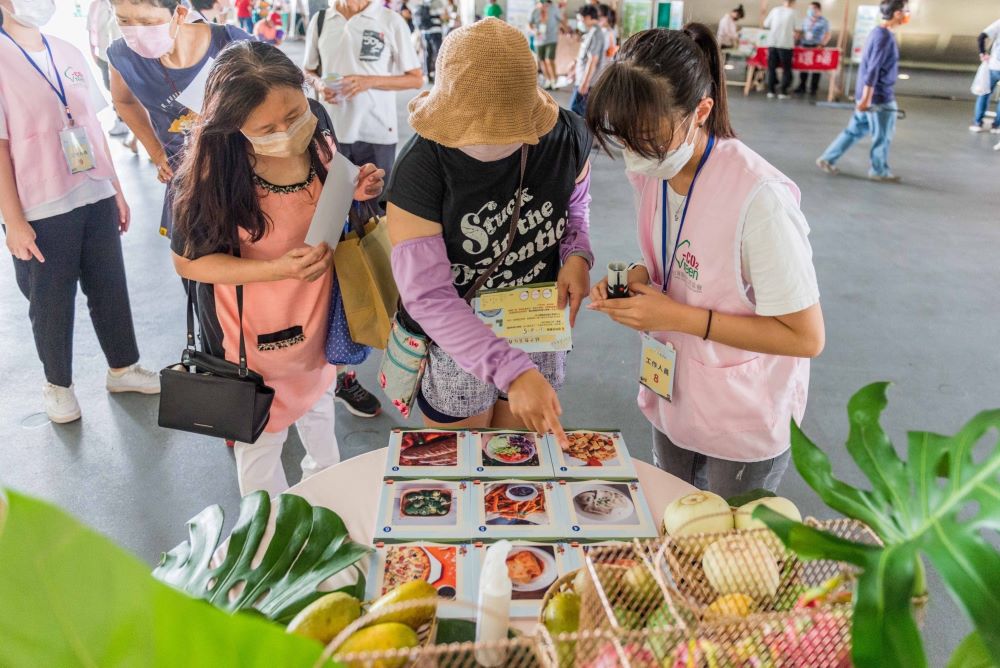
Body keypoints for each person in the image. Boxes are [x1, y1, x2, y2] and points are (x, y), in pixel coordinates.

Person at [586, 25, 824, 497]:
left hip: (741, 412)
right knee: (672, 516)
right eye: (624, 135)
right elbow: (687, 252)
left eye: (647, 137)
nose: (634, 154)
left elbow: (806, 336)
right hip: (674, 390)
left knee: (726, 551)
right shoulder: (656, 171)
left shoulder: (761, 202)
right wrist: (642, 277)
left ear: (701, 111)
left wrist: (676, 316)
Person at [170, 41, 384, 496]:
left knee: (320, 406)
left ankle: (326, 496)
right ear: (232, 129)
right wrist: (276, 270)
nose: (287, 132)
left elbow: (327, 193)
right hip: (253, 336)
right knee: (262, 443)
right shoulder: (215, 171)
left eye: (294, 114)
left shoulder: (316, 128)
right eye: (266, 128)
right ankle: (268, 538)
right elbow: (187, 262)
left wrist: (356, 190)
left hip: (320, 316)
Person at [386, 19, 593, 441]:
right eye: (470, 131)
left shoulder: (567, 136)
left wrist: (577, 253)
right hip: (457, 333)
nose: (484, 142)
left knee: (517, 461)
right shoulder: (421, 167)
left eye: (503, 133)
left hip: (537, 321)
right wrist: (512, 372)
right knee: (460, 467)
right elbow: (427, 295)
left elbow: (577, 207)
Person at [0, 0, 161, 424]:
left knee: (109, 285)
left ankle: (123, 368)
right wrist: (13, 220)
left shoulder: (66, 51)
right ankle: (58, 384)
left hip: (93, 191)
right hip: (40, 201)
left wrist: (116, 188)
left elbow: (91, 124)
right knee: (50, 300)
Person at [107, 0, 251, 237]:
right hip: (187, 180)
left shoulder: (230, 42)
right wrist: (155, 150)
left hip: (242, 173)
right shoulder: (122, 57)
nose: (136, 32)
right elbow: (124, 101)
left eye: (147, 22)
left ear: (180, 14)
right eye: (123, 21)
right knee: (197, 260)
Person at [303, 0, 421, 188]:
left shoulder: (391, 20)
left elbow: (416, 79)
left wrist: (369, 81)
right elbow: (308, 71)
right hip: (331, 132)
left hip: (377, 131)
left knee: (375, 209)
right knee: (333, 205)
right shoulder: (321, 19)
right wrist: (319, 85)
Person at [816, 0, 908, 183]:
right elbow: (873, 69)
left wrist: (863, 98)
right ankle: (879, 170)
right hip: (879, 97)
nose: (907, 14)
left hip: (866, 95)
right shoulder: (884, 37)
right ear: (897, 13)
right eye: (905, 10)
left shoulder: (877, 32)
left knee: (854, 130)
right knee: (883, 135)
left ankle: (827, 158)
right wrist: (867, 98)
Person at [86, 0, 130, 139]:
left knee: (129, 92)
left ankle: (126, 121)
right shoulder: (95, 5)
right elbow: (91, 29)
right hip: (104, 55)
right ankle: (121, 120)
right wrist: (93, 52)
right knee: (111, 89)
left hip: (126, 55)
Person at [569, 4, 604, 117]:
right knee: (576, 113)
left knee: (577, 114)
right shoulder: (591, 32)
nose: (579, 22)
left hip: (587, 84)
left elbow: (592, 60)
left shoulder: (596, 34)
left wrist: (585, 83)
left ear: (588, 17)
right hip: (582, 80)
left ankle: (580, 135)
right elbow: (584, 57)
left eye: (581, 19)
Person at [794, 1, 830, 97]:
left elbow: (827, 35)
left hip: (817, 46)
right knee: (804, 67)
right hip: (805, 45)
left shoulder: (824, 21)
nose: (810, 10)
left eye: (812, 8)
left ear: (818, 10)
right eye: (809, 8)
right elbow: (800, 32)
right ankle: (802, 86)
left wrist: (822, 45)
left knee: (816, 68)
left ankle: (813, 88)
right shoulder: (805, 20)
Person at [970, 17, 1000, 133]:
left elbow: (981, 37)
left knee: (984, 93)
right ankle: (997, 125)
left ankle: (978, 123)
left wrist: (982, 53)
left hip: (994, 66)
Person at [763, 0, 797, 99]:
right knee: (786, 69)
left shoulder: (775, 10)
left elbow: (766, 24)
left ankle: (770, 91)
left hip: (772, 43)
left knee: (772, 68)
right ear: (793, 2)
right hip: (785, 44)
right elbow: (798, 28)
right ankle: (783, 92)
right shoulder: (793, 12)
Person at [414, 0, 444, 81]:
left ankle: (427, 74)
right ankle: (438, 74)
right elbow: (443, 16)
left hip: (425, 31)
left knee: (427, 53)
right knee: (438, 52)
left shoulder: (423, 2)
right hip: (435, 30)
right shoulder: (437, 2)